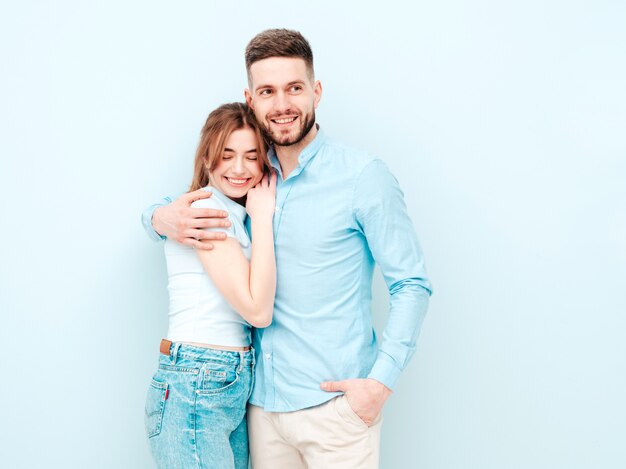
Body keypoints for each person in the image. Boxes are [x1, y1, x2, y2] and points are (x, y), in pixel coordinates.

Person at [142, 29, 432, 469]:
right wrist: (157, 218)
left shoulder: (362, 176)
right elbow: (198, 199)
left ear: (316, 91)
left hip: (335, 411)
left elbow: (411, 283)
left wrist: (379, 384)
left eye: (294, 88)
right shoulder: (250, 174)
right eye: (268, 91)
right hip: (258, 410)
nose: (282, 104)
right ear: (250, 98)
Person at [144, 102, 277, 469]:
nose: (239, 168)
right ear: (207, 158)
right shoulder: (205, 211)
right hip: (197, 378)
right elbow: (257, 310)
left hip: (224, 379)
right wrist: (263, 217)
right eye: (227, 154)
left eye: (252, 157)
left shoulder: (233, 213)